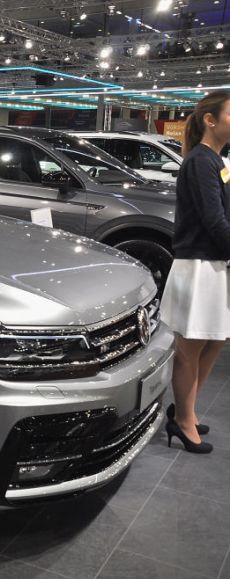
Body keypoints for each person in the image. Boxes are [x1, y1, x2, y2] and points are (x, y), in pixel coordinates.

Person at [160, 90, 230, 453]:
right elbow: (214, 221)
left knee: (215, 339)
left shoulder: (217, 159)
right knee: (191, 346)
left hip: (215, 264)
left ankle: (185, 409)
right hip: (199, 264)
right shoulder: (201, 161)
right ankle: (183, 421)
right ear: (210, 119)